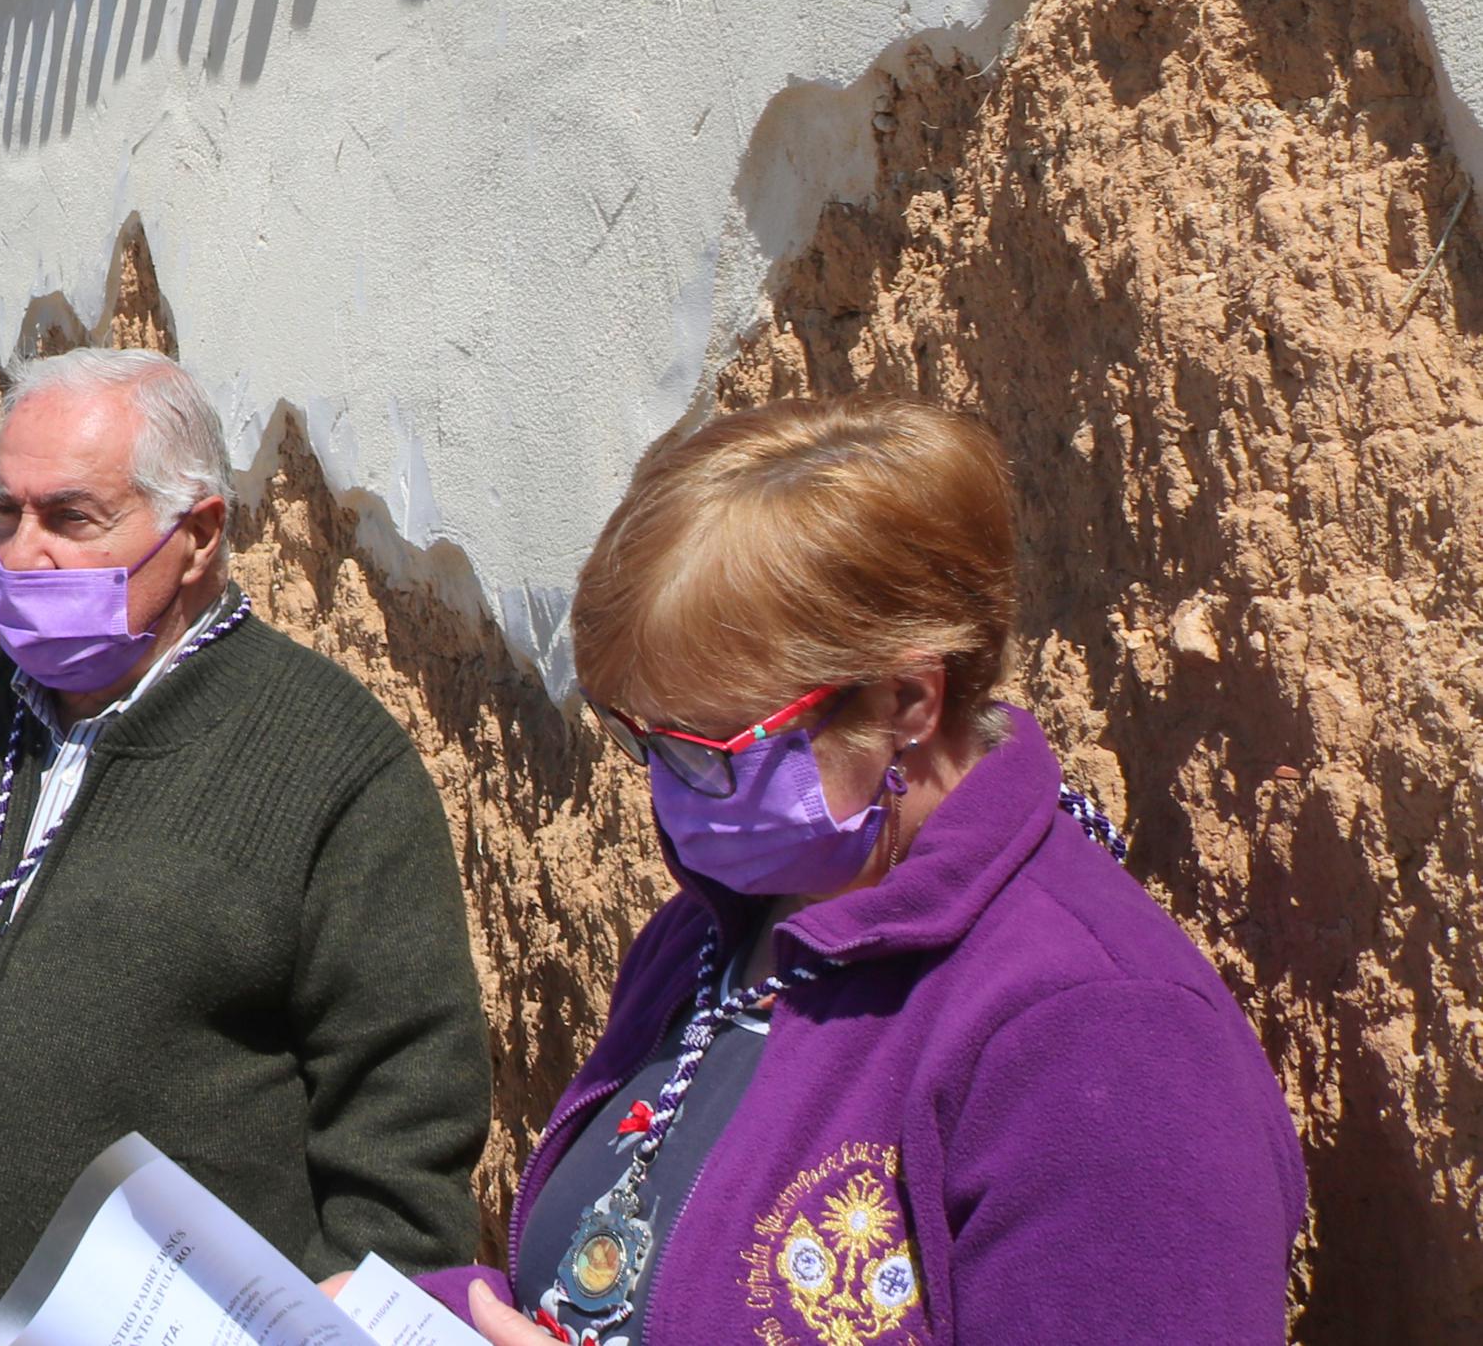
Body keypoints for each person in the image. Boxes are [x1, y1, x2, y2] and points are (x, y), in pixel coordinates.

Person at [424, 396, 1303, 1346]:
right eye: (643, 739)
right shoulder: (714, 931)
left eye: (711, 748)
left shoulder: (1100, 1040)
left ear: (907, 699)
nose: (667, 795)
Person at [0, 349, 490, 1346]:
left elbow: (401, 1147)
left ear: (195, 535)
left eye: (71, 517)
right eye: (4, 513)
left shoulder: (329, 767)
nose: (21, 554)